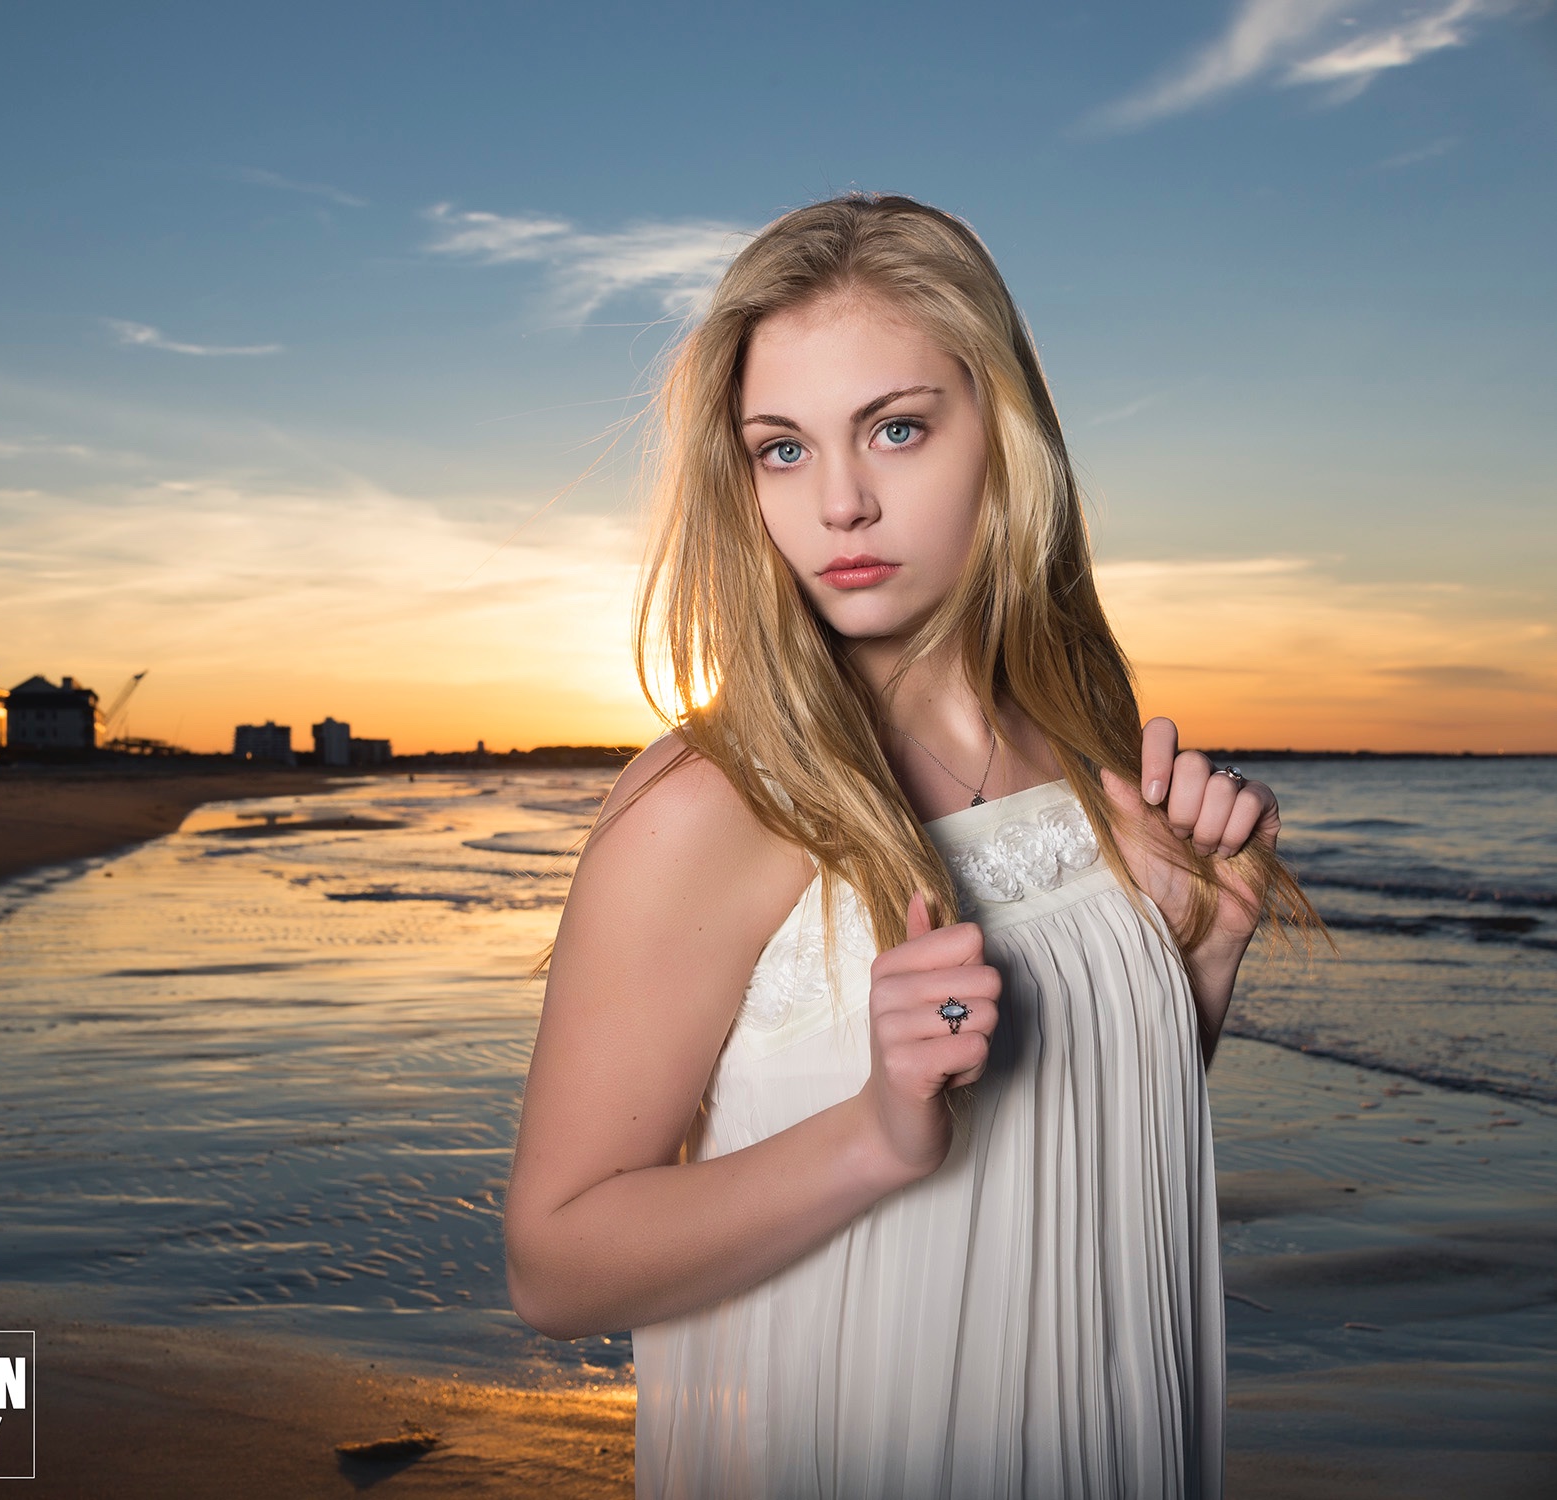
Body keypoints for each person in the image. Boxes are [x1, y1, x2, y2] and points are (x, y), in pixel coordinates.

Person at [501, 194, 1317, 1499]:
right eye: (781, 449)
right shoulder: (715, 806)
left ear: (1003, 435)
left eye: (895, 427)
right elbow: (555, 1266)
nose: (839, 502)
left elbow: (1080, 1161)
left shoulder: (1081, 756)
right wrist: (874, 1136)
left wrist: (1196, 963)